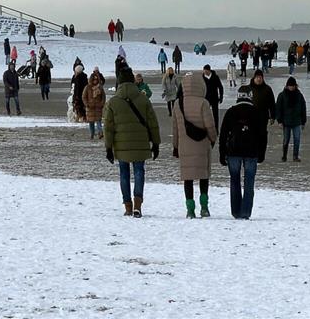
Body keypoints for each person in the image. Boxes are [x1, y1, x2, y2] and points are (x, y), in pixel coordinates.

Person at [104, 66, 160, 218]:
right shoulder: (143, 99)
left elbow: (108, 127)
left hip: (121, 144)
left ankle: (128, 206)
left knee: (124, 174)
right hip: (140, 143)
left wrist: (108, 147)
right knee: (139, 171)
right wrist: (156, 143)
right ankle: (138, 205)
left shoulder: (113, 102)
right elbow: (153, 123)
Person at [173, 73, 218, 218]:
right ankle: (204, 207)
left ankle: (190, 209)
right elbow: (210, 125)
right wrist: (213, 139)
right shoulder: (203, 103)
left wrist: (175, 146)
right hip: (202, 145)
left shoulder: (177, 103)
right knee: (203, 176)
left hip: (184, 146)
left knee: (188, 178)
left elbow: (175, 129)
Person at [219, 91, 268, 220]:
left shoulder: (231, 112)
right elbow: (263, 135)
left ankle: (236, 211)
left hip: (233, 151)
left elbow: (223, 134)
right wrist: (262, 153)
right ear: (251, 97)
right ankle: (246, 212)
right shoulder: (257, 113)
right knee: (249, 181)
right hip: (251, 152)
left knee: (234, 180)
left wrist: (222, 153)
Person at [276, 76, 307, 162]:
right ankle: (284, 155)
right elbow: (278, 108)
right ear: (287, 86)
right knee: (286, 140)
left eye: (293, 86)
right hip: (286, 122)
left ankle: (295, 156)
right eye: (290, 86)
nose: (292, 87)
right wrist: (279, 121)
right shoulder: (282, 95)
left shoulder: (299, 95)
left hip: (297, 122)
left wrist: (303, 121)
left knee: (297, 139)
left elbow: (303, 108)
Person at [83, 72, 106, 140]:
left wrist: (102, 104)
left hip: (98, 107)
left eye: (96, 80)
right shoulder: (87, 87)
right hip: (90, 108)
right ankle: (92, 134)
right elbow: (84, 97)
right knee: (91, 122)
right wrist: (87, 104)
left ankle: (100, 133)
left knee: (99, 121)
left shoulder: (100, 88)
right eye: (94, 80)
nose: (95, 81)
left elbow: (103, 97)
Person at [201, 65, 224, 130]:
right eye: (204, 70)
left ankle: (216, 129)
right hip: (206, 99)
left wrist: (221, 96)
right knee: (205, 114)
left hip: (214, 98)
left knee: (215, 115)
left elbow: (220, 87)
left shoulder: (215, 77)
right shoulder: (202, 78)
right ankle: (206, 128)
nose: (204, 72)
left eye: (206, 70)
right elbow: (200, 88)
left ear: (209, 70)